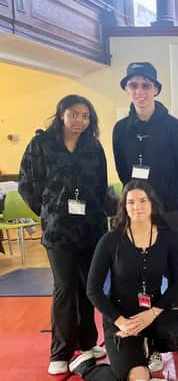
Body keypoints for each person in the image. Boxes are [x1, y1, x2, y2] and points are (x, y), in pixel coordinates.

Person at [78, 180, 178, 381]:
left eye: (143, 201)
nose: (137, 207)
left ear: (152, 203)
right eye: (131, 202)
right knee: (138, 378)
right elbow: (93, 289)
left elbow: (177, 282)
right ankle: (86, 368)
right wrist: (120, 322)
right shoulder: (110, 241)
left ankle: (149, 343)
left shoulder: (168, 238)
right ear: (124, 207)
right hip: (122, 316)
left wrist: (154, 313)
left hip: (155, 310)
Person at [18, 95, 108, 375]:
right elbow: (27, 185)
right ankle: (61, 351)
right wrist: (49, 210)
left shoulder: (93, 147)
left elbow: (102, 184)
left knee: (88, 287)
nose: (79, 120)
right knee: (64, 288)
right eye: (73, 114)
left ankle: (88, 342)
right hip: (58, 231)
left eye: (85, 115)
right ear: (61, 115)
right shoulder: (41, 144)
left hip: (91, 227)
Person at [113, 61, 178, 372]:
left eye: (146, 85)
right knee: (139, 272)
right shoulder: (121, 128)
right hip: (137, 212)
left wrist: (171, 198)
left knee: (173, 270)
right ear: (127, 90)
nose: (140, 91)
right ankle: (146, 338)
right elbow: (122, 169)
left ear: (156, 89)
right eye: (134, 85)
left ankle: (173, 329)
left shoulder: (172, 126)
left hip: (168, 209)